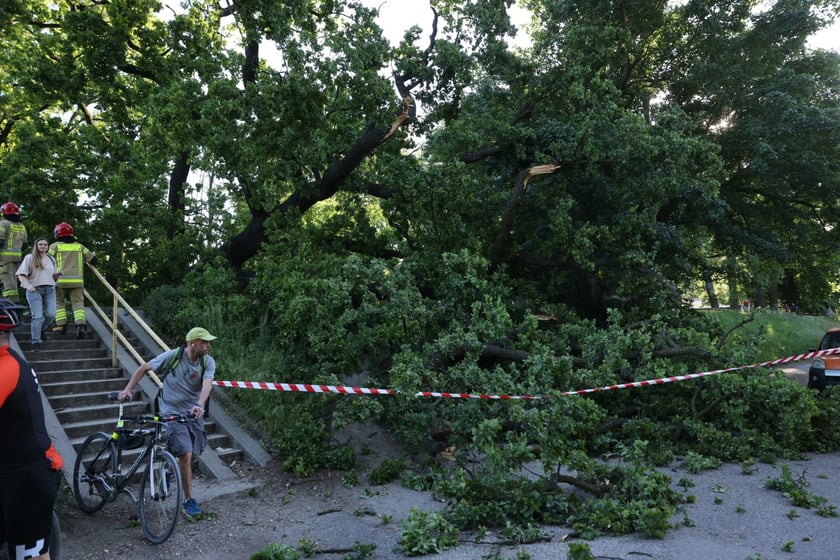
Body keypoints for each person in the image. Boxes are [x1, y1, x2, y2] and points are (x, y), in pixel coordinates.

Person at [117, 327, 217, 516]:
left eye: (208, 342)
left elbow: (207, 385)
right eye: (204, 342)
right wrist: (128, 389)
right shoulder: (174, 356)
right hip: (170, 410)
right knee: (186, 454)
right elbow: (145, 367)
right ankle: (189, 501)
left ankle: (168, 469)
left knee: (194, 453)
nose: (208, 345)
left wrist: (200, 404)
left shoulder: (207, 362)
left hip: (193, 411)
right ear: (192, 343)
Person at [0, 298, 64, 560]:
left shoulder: (6, 367)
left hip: (28, 477)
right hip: (10, 471)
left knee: (32, 557)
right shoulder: (9, 358)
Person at [48, 222, 96, 339]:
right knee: (78, 303)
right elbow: (93, 259)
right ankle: (80, 325)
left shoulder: (54, 246)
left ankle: (61, 326)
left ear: (58, 233)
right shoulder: (80, 247)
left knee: (59, 302)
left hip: (60, 280)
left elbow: (46, 260)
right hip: (77, 281)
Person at [15, 239, 60, 352]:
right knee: (37, 316)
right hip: (35, 290)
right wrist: (28, 286)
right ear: (36, 245)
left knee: (51, 314)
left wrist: (58, 275)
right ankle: (35, 342)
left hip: (50, 289)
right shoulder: (30, 257)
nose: (43, 246)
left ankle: (41, 330)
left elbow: (52, 277)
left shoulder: (51, 258)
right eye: (40, 244)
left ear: (48, 246)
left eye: (45, 244)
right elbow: (21, 275)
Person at [0, 202, 27, 303]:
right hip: (16, 259)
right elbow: (24, 244)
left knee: (7, 283)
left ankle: (11, 303)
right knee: (12, 281)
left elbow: (0, 240)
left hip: (3, 259)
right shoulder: (21, 226)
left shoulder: (3, 224)